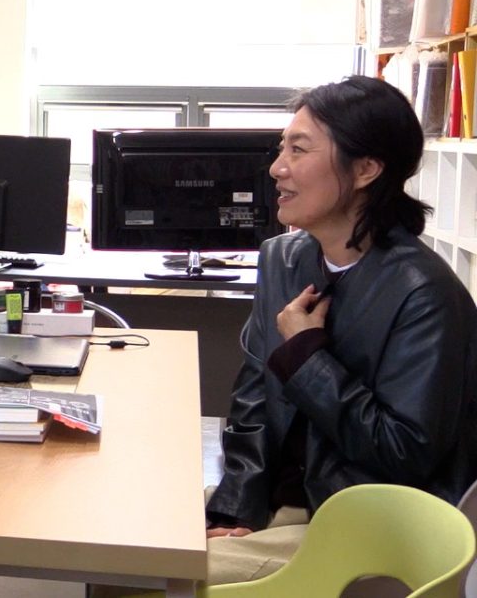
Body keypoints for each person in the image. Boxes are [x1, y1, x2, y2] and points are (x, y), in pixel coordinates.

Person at [204, 75, 477, 584]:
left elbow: (404, 455)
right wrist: (236, 509)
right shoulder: (283, 258)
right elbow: (253, 400)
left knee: (143, 570)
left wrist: (307, 355)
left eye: (299, 149)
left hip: (363, 529)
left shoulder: (425, 294)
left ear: (367, 169)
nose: (277, 168)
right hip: (284, 502)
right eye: (281, 148)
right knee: (129, 537)